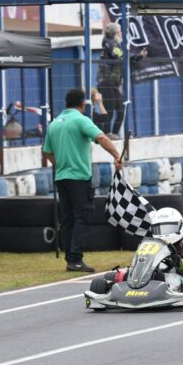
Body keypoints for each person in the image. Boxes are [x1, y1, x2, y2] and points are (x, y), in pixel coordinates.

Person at [43, 88, 123, 273]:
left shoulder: (54, 124)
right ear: (83, 104)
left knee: (68, 219)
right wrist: (116, 155)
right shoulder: (81, 120)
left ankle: (70, 258)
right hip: (79, 177)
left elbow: (47, 152)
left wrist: (61, 164)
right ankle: (75, 258)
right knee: (83, 216)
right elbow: (101, 137)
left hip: (61, 177)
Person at [97, 22, 148, 137]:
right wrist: (138, 56)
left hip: (112, 84)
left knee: (120, 111)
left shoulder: (113, 44)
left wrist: (137, 56)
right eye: (120, 32)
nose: (121, 34)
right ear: (115, 33)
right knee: (110, 112)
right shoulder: (110, 44)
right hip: (106, 83)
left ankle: (113, 135)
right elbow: (122, 56)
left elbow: (123, 56)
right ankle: (106, 135)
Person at [149, 207, 183, 292]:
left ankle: (162, 290)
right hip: (156, 279)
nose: (164, 234)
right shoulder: (152, 249)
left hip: (181, 280)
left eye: (168, 228)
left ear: (180, 227)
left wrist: (180, 263)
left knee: (170, 279)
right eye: (160, 229)